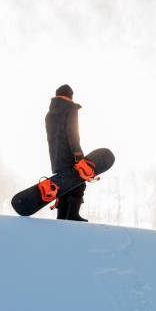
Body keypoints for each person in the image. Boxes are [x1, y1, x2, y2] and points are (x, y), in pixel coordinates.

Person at [45, 84, 88, 222]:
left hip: (56, 158)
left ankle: (61, 216)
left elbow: (51, 139)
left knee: (63, 186)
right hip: (70, 155)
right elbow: (72, 134)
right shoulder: (71, 109)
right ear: (70, 96)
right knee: (79, 181)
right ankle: (72, 215)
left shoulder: (49, 115)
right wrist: (78, 155)